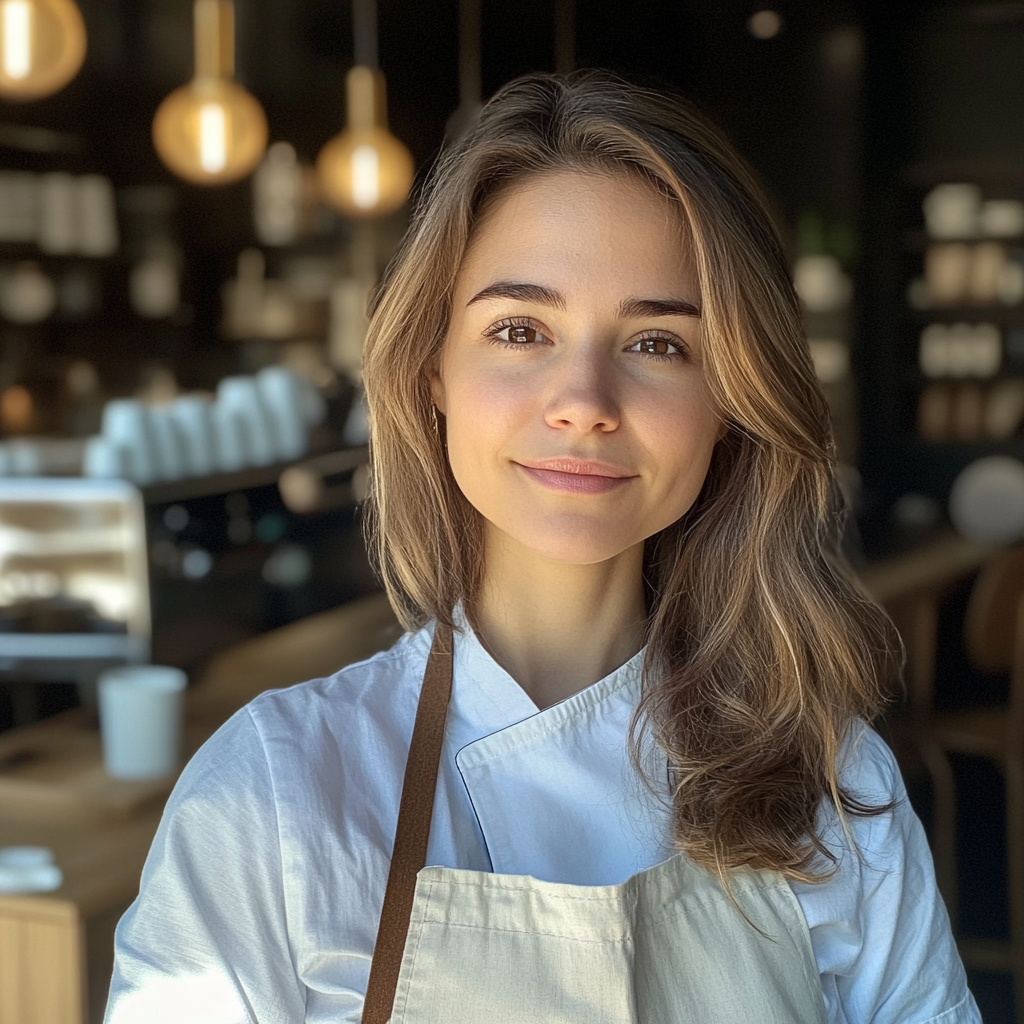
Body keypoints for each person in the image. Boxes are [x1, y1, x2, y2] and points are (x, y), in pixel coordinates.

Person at [105, 72, 980, 1024]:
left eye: (657, 344)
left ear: (730, 401)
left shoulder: (830, 781)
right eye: (520, 329)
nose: (585, 402)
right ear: (432, 371)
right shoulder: (275, 789)